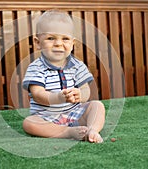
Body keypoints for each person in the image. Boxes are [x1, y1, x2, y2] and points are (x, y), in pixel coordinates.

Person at [22, 10, 105, 143]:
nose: (58, 44)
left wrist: (80, 95)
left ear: (72, 43)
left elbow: (85, 90)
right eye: (51, 38)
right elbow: (37, 94)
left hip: (74, 113)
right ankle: (67, 132)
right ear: (38, 42)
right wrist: (58, 97)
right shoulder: (36, 68)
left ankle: (92, 130)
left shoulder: (77, 65)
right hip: (46, 118)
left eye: (65, 39)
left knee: (97, 106)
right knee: (29, 123)